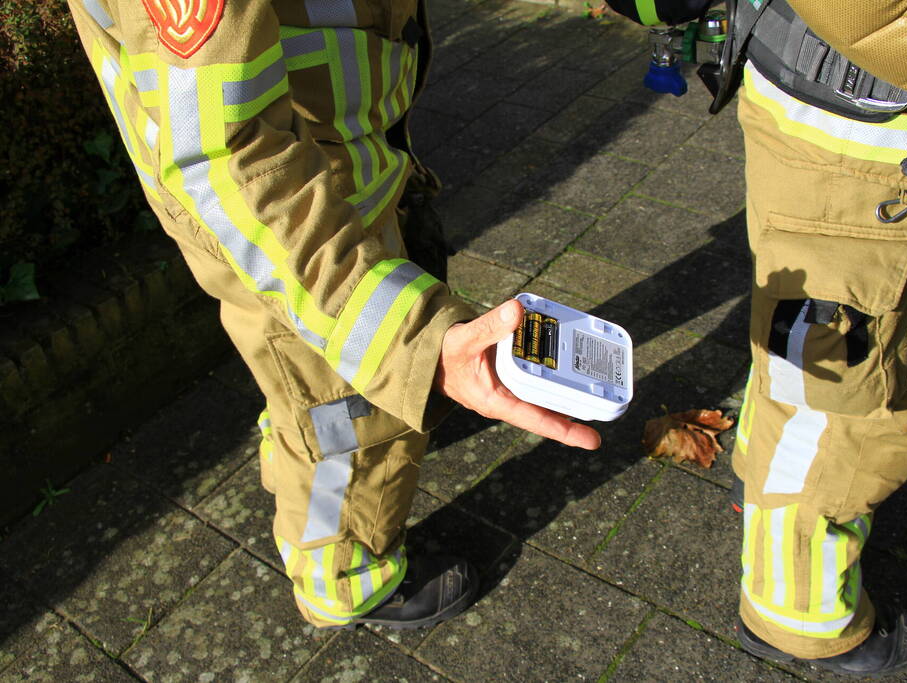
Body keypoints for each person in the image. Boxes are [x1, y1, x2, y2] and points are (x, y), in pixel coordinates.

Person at [66, 0, 600, 632]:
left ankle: (300, 447)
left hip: (324, 204)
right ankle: (345, 584)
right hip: (292, 235)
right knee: (349, 427)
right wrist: (411, 344)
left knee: (318, 408)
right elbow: (223, 156)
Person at [607, 0, 907, 676]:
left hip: (845, 112)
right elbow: (896, 26)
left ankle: (773, 486)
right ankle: (798, 616)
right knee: (855, 400)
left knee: (808, 368)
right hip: (884, 143)